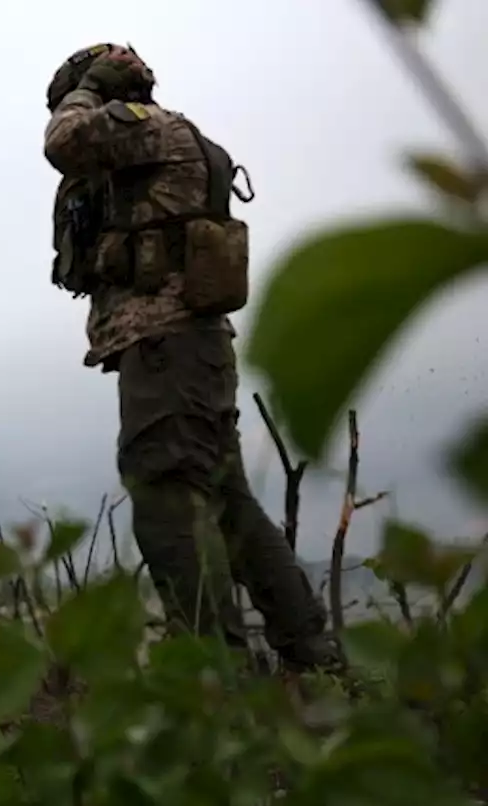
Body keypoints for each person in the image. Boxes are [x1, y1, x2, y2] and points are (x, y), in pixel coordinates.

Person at [41, 43, 343, 673]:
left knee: (165, 497)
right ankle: (312, 656)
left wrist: (85, 92)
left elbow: (63, 142)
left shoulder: (144, 128)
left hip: (168, 346)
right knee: (227, 502)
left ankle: (218, 677)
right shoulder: (165, 137)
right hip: (187, 350)